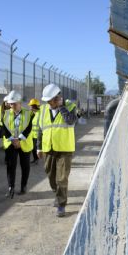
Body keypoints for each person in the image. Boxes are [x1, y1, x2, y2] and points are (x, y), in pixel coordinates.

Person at [36, 83, 77, 217]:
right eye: (47, 101)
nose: (49, 103)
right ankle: (57, 194)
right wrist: (39, 147)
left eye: (51, 100)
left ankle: (61, 204)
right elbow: (40, 130)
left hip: (65, 149)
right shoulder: (42, 110)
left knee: (61, 178)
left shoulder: (70, 106)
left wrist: (61, 107)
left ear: (58, 97)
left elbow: (71, 121)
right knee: (51, 176)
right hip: (49, 148)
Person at [2, 91, 34, 198]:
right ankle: (11, 188)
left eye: (14, 104)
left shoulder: (28, 113)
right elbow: (5, 129)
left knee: (25, 166)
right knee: (11, 166)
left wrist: (19, 140)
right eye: (10, 104)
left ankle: (23, 186)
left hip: (24, 143)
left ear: (20, 103)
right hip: (11, 143)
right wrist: (13, 140)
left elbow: (29, 128)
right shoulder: (6, 114)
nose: (12, 106)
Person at [28, 98, 41, 164]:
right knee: (33, 148)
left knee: (35, 148)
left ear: (34, 106)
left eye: (30, 106)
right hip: (32, 134)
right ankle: (36, 159)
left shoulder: (39, 114)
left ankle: (36, 159)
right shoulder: (33, 114)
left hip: (37, 134)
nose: (29, 107)